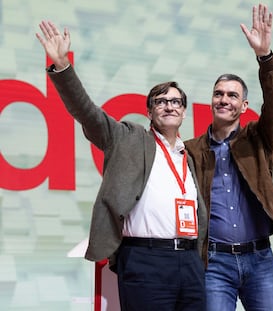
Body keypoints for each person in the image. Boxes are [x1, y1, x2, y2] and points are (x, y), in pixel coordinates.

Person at [36, 21, 208, 311]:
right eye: (161, 101)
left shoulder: (187, 155)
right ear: (149, 111)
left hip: (189, 262)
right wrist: (63, 65)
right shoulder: (128, 138)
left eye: (176, 101)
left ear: (184, 111)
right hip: (145, 260)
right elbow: (88, 113)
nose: (169, 105)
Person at [184, 4, 273, 311]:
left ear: (244, 106)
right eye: (218, 94)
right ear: (211, 101)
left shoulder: (259, 139)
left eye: (232, 95)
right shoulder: (191, 150)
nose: (224, 100)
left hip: (260, 260)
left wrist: (265, 58)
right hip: (214, 263)